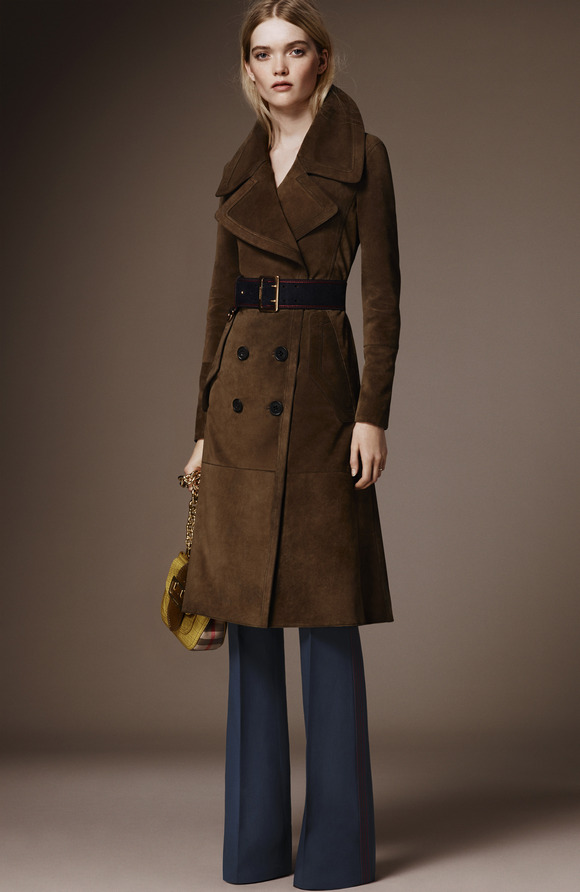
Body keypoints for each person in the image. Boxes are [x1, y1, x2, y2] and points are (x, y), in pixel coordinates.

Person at [182, 1, 400, 887]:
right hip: (239, 406)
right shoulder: (239, 173)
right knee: (247, 625)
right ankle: (256, 845)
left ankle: (337, 852)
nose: (279, 67)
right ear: (248, 68)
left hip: (321, 399)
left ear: (322, 61)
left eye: (296, 50)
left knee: (326, 615)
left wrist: (373, 411)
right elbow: (218, 307)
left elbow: (382, 298)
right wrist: (201, 430)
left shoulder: (362, 157)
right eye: (263, 53)